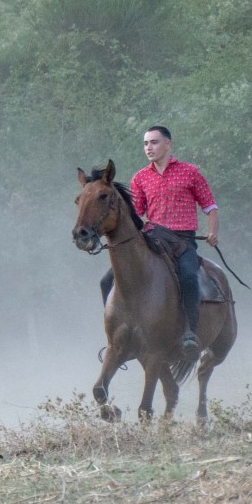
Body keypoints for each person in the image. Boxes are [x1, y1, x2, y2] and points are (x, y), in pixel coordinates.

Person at [101, 125, 220, 350]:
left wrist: (212, 231)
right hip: (153, 239)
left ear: (168, 144)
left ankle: (189, 333)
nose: (149, 147)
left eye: (154, 142)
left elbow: (210, 206)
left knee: (188, 278)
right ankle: (114, 339)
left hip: (182, 242)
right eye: (146, 143)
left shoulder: (190, 172)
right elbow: (135, 214)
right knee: (106, 280)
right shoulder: (140, 178)